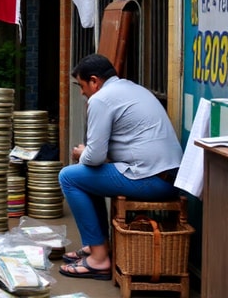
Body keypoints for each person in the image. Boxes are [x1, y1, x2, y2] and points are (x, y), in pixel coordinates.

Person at [57, 53, 182, 280]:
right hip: (167, 176)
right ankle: (96, 246)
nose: (82, 92)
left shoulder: (101, 99)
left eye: (81, 85)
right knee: (84, 177)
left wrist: (82, 153)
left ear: (94, 81)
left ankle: (98, 259)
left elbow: (94, 157)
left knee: (69, 176)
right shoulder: (132, 89)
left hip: (151, 179)